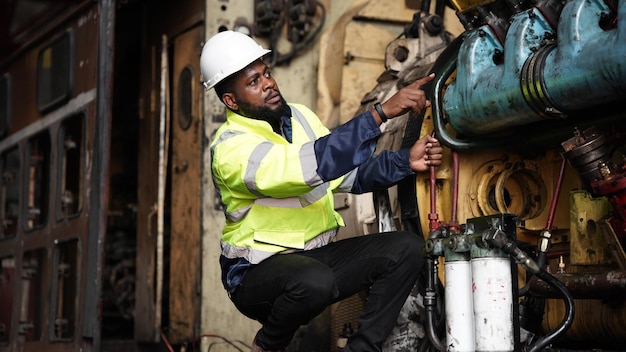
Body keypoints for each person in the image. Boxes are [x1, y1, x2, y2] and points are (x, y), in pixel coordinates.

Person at [200, 30, 443, 352]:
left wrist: (403, 161)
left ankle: (362, 348)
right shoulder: (231, 149)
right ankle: (268, 345)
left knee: (407, 248)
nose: (269, 83)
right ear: (230, 100)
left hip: (315, 260)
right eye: (254, 82)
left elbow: (345, 176)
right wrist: (380, 114)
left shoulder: (300, 116)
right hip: (256, 273)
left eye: (266, 73)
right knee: (314, 281)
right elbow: (307, 167)